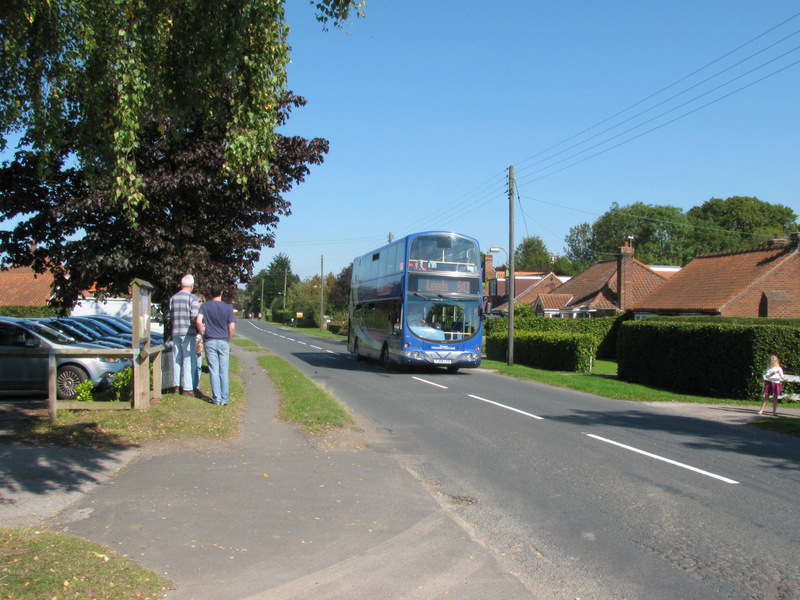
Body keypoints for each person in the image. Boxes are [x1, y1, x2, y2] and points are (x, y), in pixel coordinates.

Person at [197, 286, 236, 406]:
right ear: (221, 293)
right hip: (223, 340)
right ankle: (225, 398)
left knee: (214, 370)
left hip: (210, 340)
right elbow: (232, 326)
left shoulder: (205, 306)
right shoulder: (228, 308)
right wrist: (228, 338)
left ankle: (216, 398)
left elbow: (198, 321)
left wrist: (202, 334)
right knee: (223, 371)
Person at [169, 274, 200, 396]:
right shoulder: (192, 298)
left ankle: (176, 385)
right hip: (188, 332)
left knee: (176, 358)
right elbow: (194, 315)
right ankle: (187, 387)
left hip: (175, 331)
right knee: (189, 359)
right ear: (191, 286)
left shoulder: (173, 298)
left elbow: (170, 315)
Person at [193, 294, 205, 393]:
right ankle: (191, 385)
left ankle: (196, 385)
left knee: (198, 364)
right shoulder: (193, 313)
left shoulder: (204, 314)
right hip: (193, 339)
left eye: (202, 301)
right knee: (192, 363)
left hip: (200, 341)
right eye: (199, 301)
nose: (200, 303)